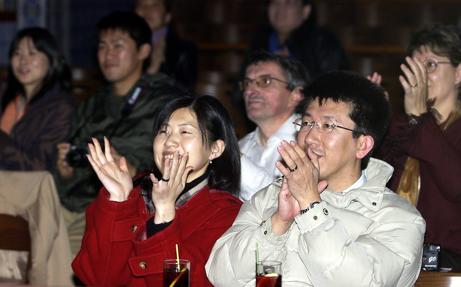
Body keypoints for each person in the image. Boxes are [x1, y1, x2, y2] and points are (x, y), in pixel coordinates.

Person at [206, 71, 426, 286]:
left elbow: (358, 281)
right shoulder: (271, 196)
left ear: (362, 145)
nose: (310, 137)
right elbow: (220, 274)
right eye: (307, 123)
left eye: (329, 126)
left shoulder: (397, 217)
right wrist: (278, 223)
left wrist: (311, 207)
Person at [54, 11, 187, 256]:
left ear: (143, 52)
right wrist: (67, 172)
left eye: (118, 46)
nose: (108, 55)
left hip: (127, 209)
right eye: (102, 46)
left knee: (65, 257)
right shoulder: (92, 104)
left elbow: (179, 169)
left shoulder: (166, 102)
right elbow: (72, 167)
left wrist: (131, 171)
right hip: (72, 204)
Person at [72, 95, 242, 286]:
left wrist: (164, 214)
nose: (169, 141)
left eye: (185, 132)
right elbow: (98, 279)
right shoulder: (132, 192)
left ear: (215, 149)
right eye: (164, 131)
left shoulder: (227, 213)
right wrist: (119, 202)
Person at [377, 24, 461, 271]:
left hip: (451, 259)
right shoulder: (402, 126)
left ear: (458, 74)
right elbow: (376, 185)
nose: (420, 76)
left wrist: (420, 118)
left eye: (431, 65)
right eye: (414, 67)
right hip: (393, 253)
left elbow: (456, 184)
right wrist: (372, 121)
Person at [0, 27, 74, 171]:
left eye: (32, 53)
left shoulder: (61, 107)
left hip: (27, 189)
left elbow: (42, 165)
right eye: (17, 53)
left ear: (51, 59)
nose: (23, 61)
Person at [238, 51, 309, 200]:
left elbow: (281, 201)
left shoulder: (311, 141)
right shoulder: (241, 146)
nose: (250, 91)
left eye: (265, 81)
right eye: (247, 83)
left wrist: (234, 158)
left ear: (296, 95)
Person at [249, 0, 349, 79]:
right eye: (274, 2)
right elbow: (239, 92)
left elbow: (333, 85)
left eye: (288, 2)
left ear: (306, 11)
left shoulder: (323, 41)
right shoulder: (259, 40)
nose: (280, 8)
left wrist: (292, 70)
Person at [135, 0, 198, 88]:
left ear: (167, 16)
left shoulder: (184, 50)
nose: (147, 9)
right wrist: (152, 69)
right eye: (141, 5)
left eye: (155, 5)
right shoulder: (124, 48)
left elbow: (184, 94)